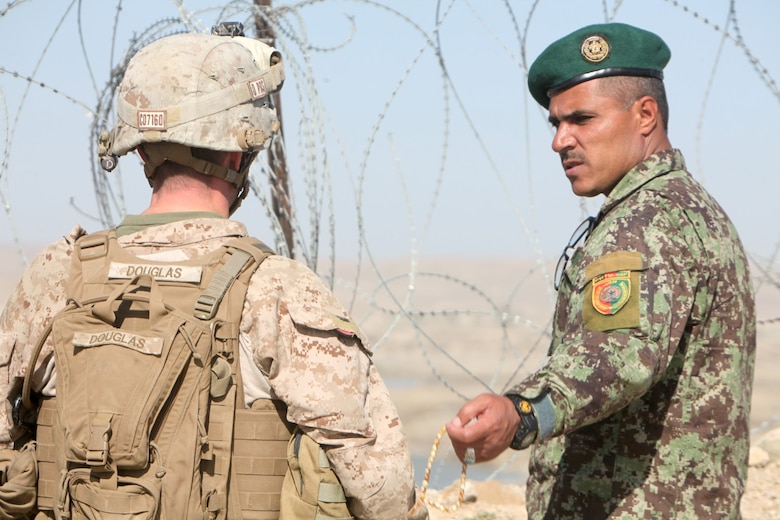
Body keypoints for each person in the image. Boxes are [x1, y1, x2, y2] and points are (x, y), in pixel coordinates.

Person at [0, 25, 427, 520]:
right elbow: (384, 490)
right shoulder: (277, 291)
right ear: (235, 153)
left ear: (140, 149)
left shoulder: (58, 275)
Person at [446, 22, 756, 519]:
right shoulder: (687, 207)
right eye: (556, 124)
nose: (560, 141)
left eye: (582, 119)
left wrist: (523, 414)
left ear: (645, 115)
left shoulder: (647, 220)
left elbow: (619, 354)